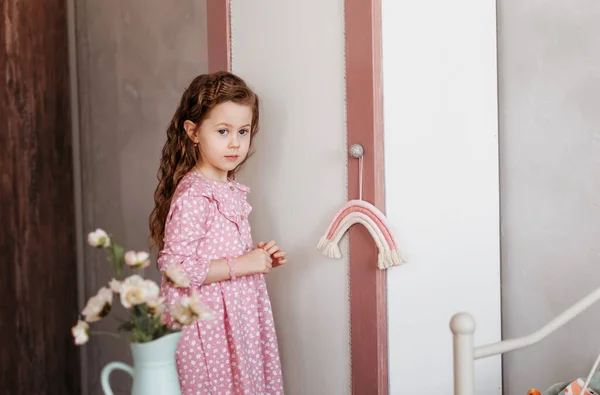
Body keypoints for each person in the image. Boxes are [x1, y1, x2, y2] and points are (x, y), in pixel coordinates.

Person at [149, 71, 286, 394]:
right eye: (223, 131)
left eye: (243, 131)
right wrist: (244, 265)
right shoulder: (196, 194)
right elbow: (176, 268)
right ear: (193, 132)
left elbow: (218, 253)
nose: (235, 142)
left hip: (236, 320)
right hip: (208, 328)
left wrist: (259, 259)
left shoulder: (226, 187)